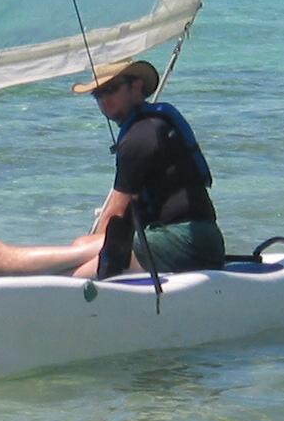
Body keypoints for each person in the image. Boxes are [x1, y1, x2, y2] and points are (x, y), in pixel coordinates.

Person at [74, 57, 225, 277]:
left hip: (186, 243)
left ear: (136, 86)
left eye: (112, 89)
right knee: (81, 245)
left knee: (79, 274)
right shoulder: (152, 124)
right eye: (98, 94)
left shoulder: (141, 135)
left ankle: (26, 270)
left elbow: (114, 214)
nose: (104, 99)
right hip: (190, 239)